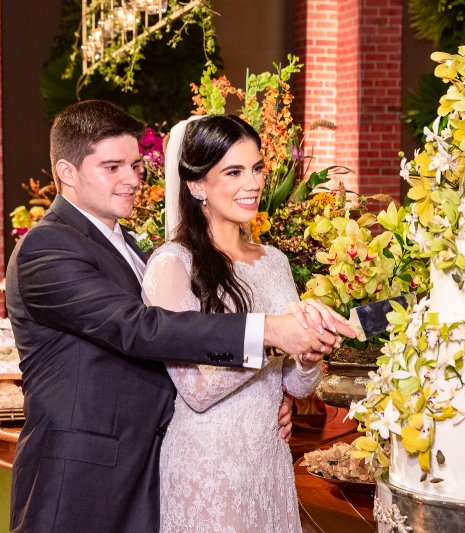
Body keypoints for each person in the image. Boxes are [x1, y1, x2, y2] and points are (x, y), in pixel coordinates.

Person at [5, 100, 353, 533]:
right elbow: (140, 329)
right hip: (83, 475)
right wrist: (270, 334)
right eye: (113, 167)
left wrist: (277, 392)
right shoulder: (47, 247)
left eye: (135, 165)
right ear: (67, 172)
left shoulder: (129, 245)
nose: (132, 179)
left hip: (149, 461)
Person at [143, 114, 330, 533]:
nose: (253, 183)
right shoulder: (173, 266)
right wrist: (278, 337)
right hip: (208, 465)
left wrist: (312, 349)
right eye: (234, 171)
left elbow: (298, 387)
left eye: (257, 168)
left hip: (268, 457)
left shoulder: (275, 262)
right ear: (195, 185)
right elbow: (198, 390)